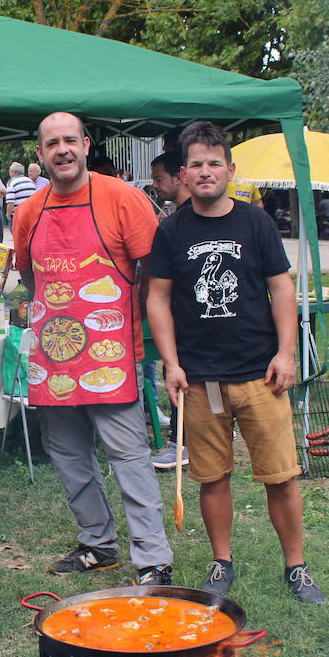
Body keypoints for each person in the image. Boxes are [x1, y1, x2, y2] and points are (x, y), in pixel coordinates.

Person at [146, 120, 324, 604]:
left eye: (214, 163)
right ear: (183, 173)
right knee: (212, 477)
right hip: (201, 378)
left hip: (259, 374)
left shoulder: (255, 223)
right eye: (196, 165)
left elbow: (282, 287)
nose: (206, 172)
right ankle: (221, 561)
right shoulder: (171, 231)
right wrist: (171, 362)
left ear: (230, 169)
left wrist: (286, 354)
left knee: (281, 476)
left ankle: (296, 566)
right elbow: (158, 299)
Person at [12, 112, 174, 586]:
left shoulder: (123, 198)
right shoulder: (28, 211)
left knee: (130, 458)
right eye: (51, 143)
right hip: (52, 358)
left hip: (113, 355)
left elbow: (155, 277)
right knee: (68, 457)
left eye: (69, 140)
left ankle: (153, 559)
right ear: (39, 154)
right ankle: (97, 544)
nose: (62, 149)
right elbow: (29, 276)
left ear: (85, 144)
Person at [147, 150, 189, 470]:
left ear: (179, 176)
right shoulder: (173, 220)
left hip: (187, 317)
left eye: (159, 178)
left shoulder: (183, 222)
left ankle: (182, 443)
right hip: (177, 315)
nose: (154, 185)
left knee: (179, 373)